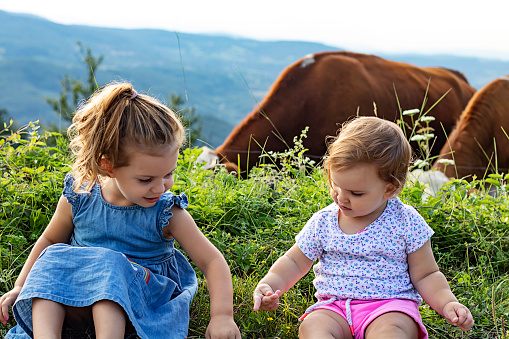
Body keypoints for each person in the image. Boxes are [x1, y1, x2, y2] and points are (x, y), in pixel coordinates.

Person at [1, 82, 241, 339]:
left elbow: (212, 261)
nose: (160, 187)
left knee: (110, 265)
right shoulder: (80, 196)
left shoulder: (166, 212)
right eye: (146, 179)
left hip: (139, 301)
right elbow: (49, 239)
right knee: (53, 257)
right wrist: (21, 285)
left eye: (168, 174)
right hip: (79, 295)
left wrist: (222, 316)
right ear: (108, 166)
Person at [253, 116, 474, 338]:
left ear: (390, 189)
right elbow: (294, 261)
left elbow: (426, 275)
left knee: (392, 332)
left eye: (356, 193)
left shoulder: (406, 222)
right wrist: (270, 284)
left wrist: (447, 303)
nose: (341, 198)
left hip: (389, 307)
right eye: (336, 185)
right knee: (313, 328)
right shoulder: (324, 221)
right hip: (334, 308)